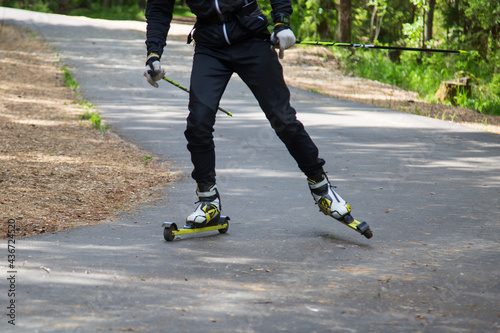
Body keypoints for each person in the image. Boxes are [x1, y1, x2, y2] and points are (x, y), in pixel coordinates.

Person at [144, 0, 353, 229]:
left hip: (251, 38)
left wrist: (282, 22)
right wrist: (153, 54)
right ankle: (208, 200)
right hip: (210, 46)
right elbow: (159, 8)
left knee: (282, 119)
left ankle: (321, 188)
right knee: (198, 122)